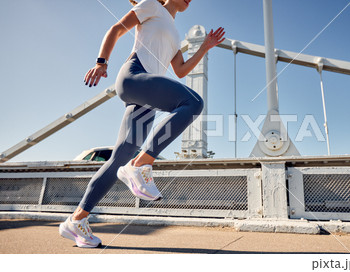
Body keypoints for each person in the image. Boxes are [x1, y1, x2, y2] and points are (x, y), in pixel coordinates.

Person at [58, 0, 225, 248]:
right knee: (193, 103)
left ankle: (77, 220)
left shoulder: (176, 33)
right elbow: (116, 29)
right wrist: (101, 63)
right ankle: (141, 164)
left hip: (144, 99)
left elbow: (180, 71)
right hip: (134, 77)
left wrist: (205, 48)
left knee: (119, 158)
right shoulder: (151, 6)